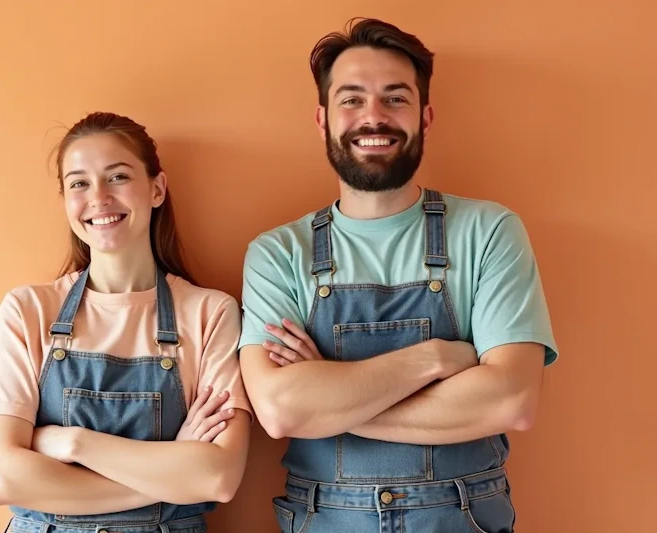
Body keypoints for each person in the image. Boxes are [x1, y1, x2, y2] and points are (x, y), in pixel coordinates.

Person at [238, 18, 558, 533]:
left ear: (424, 117)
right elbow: (279, 411)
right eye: (352, 99)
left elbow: (512, 400)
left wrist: (332, 403)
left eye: (395, 98)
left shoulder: (489, 231)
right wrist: (436, 359)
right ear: (322, 119)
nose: (374, 117)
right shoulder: (278, 253)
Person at [0, 112, 252, 533]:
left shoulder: (211, 313)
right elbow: (4, 478)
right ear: (65, 200)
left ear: (157, 189)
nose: (98, 197)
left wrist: (71, 443)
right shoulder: (27, 310)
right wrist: (171, 475)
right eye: (79, 183)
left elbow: (218, 477)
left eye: (117, 177)